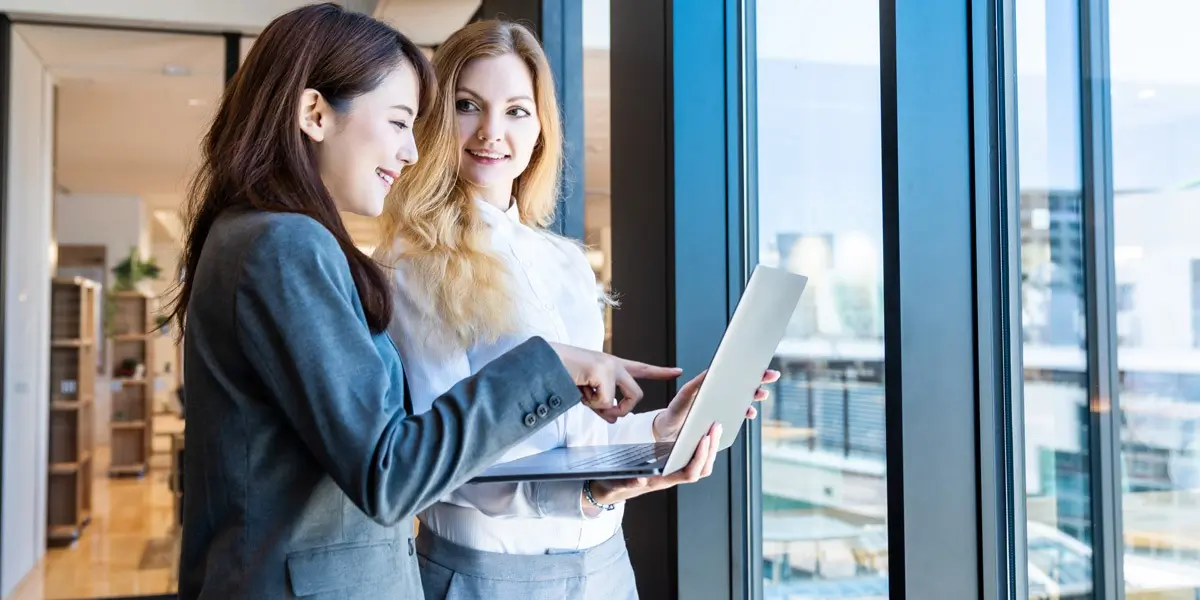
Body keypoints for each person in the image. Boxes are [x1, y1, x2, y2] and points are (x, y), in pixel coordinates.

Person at [168, 6, 682, 599]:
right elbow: (394, 470)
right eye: (398, 121)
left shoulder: (271, 236)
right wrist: (551, 366)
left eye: (517, 110)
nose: (410, 151)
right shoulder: (289, 244)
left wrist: (656, 434)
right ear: (314, 113)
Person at [375, 20, 780, 599]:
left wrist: (662, 430)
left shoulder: (563, 262)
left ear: (541, 128)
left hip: (604, 568)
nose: (491, 132)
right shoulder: (413, 261)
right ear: (437, 119)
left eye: (517, 110)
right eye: (468, 106)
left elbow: (577, 436)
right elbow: (443, 455)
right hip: (488, 577)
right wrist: (588, 493)